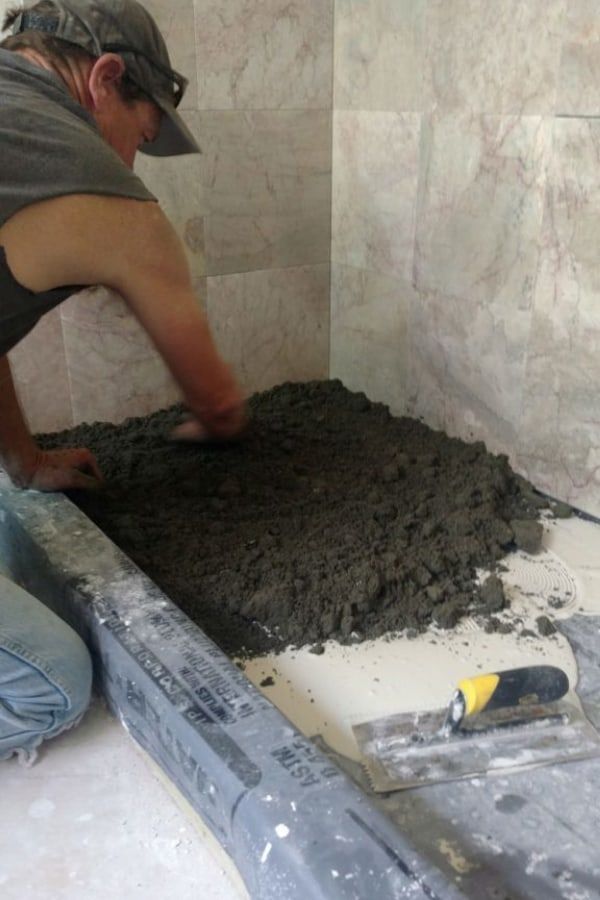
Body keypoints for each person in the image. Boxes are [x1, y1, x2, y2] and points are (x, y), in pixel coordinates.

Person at [0, 0, 246, 762]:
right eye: (141, 135)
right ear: (105, 79)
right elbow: (219, 402)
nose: (132, 164)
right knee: (51, 682)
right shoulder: (94, 185)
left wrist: (24, 463)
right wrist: (217, 422)